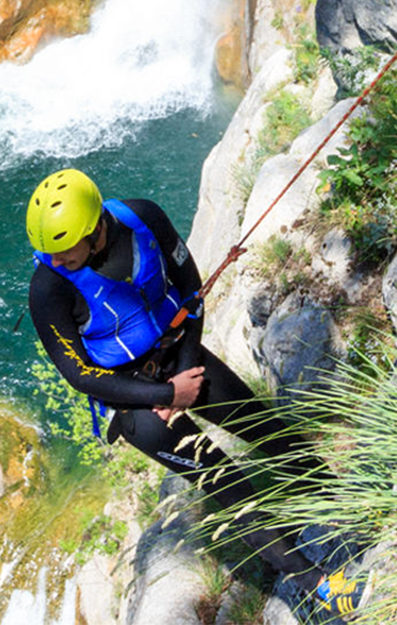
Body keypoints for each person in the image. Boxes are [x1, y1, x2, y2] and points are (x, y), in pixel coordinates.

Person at [26, 168, 368, 619]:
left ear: (95, 230)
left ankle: (347, 503)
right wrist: (166, 394)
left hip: (179, 356)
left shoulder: (143, 218)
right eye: (50, 251)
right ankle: (318, 584)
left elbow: (191, 289)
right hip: (130, 398)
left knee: (266, 429)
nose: (55, 259)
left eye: (65, 250)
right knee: (225, 481)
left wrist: (185, 373)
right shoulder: (48, 288)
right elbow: (81, 376)